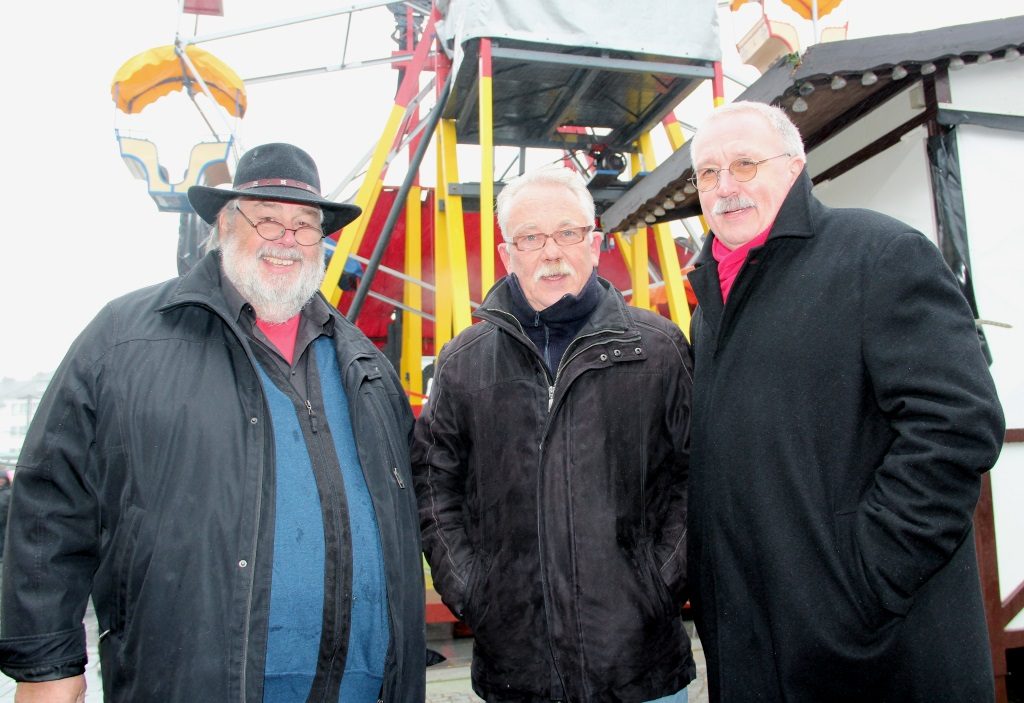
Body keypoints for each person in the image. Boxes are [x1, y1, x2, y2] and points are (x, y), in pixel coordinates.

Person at [0, 143, 426, 702]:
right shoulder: (127, 340)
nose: (287, 239)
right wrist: (47, 666)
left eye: (304, 225)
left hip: (364, 688)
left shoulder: (364, 361)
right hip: (197, 683)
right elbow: (51, 505)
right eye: (266, 219)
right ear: (224, 224)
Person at [684, 101, 1005, 703]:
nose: (725, 186)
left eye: (745, 164)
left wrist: (864, 581)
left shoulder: (878, 255)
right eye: (707, 173)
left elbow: (957, 425)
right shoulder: (711, 309)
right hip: (757, 646)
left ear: (795, 165)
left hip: (876, 655)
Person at [412, 164, 696, 702]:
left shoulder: (658, 349)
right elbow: (433, 483)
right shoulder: (463, 363)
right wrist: (475, 591)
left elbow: (697, 474)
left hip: (639, 664)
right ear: (507, 254)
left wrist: (657, 583)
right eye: (531, 237)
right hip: (519, 667)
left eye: (568, 233)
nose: (552, 252)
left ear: (594, 243)